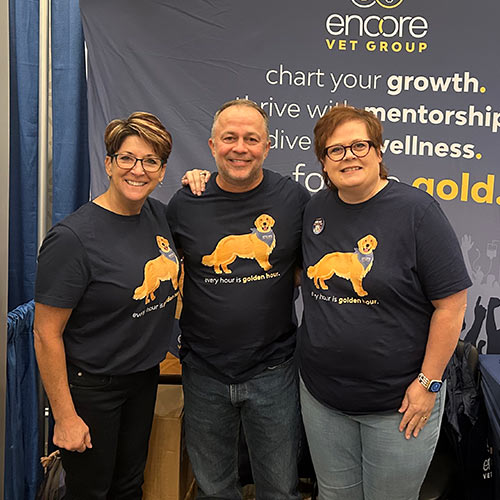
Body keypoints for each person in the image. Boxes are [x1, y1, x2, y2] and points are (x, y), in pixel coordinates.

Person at [298, 105, 472, 500]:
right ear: (323, 163)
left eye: (359, 145)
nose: (349, 157)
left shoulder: (417, 212)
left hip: (398, 404)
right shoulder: (314, 211)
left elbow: (452, 305)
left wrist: (428, 384)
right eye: (335, 150)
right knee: (334, 495)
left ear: (378, 152)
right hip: (323, 397)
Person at [167, 99, 310, 499]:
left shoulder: (295, 200)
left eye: (251, 139)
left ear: (267, 146)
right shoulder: (185, 204)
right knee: (213, 489)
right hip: (204, 370)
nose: (240, 148)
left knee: (280, 488)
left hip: (274, 369)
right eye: (229, 138)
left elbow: (307, 266)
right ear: (212, 146)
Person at [34, 112, 179, 500]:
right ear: (109, 164)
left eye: (151, 161)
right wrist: (65, 416)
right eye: (128, 158)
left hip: (142, 378)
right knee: (90, 492)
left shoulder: (158, 216)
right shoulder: (72, 239)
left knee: (130, 486)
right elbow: (46, 332)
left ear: (163, 170)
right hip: (92, 388)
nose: (138, 170)